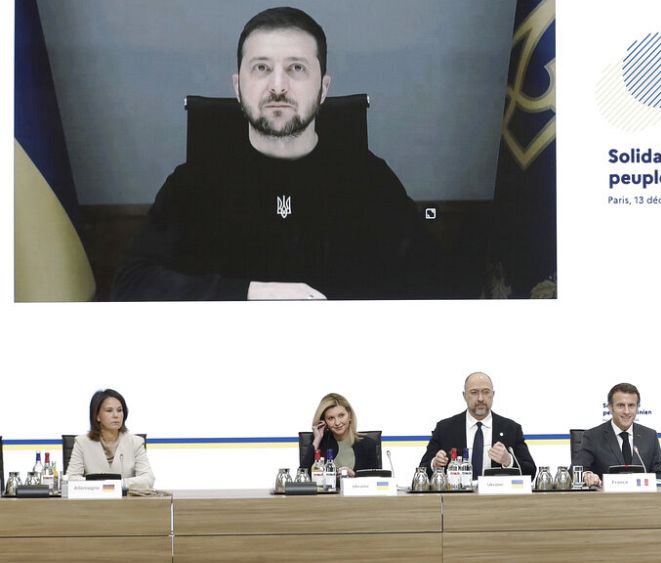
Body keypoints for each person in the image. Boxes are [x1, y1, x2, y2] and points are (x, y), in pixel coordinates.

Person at [112, 6, 436, 301]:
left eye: (296, 68)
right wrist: (249, 293)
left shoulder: (369, 178)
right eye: (262, 68)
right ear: (237, 87)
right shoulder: (194, 181)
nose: (278, 86)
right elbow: (130, 285)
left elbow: (432, 279)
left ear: (323, 89)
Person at [419, 372, 536, 478]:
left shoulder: (511, 429)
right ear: (464, 396)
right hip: (458, 495)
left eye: (486, 392)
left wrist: (509, 461)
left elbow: (531, 472)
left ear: (493, 394)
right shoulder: (445, 429)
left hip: (497, 494)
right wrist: (434, 464)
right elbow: (422, 470)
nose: (480, 398)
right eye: (474, 392)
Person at [574, 383, 661, 486]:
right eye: (621, 405)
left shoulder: (650, 436)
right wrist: (587, 475)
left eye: (631, 405)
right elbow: (575, 470)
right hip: (606, 495)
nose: (626, 411)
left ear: (637, 407)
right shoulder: (593, 436)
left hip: (641, 495)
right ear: (610, 407)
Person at [66, 389, 155, 489]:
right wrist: (100, 485)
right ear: (97, 416)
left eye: (119, 410)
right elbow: (70, 478)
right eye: (109, 410)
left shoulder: (135, 442)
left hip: (125, 498)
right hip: (94, 498)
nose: (116, 415)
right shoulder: (82, 442)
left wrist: (118, 484)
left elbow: (148, 479)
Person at [300, 393, 379, 476]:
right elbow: (302, 476)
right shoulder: (319, 441)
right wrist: (317, 440)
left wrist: (354, 476)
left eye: (341, 415)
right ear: (324, 421)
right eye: (331, 418)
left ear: (349, 415)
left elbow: (375, 480)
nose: (337, 423)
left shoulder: (368, 444)